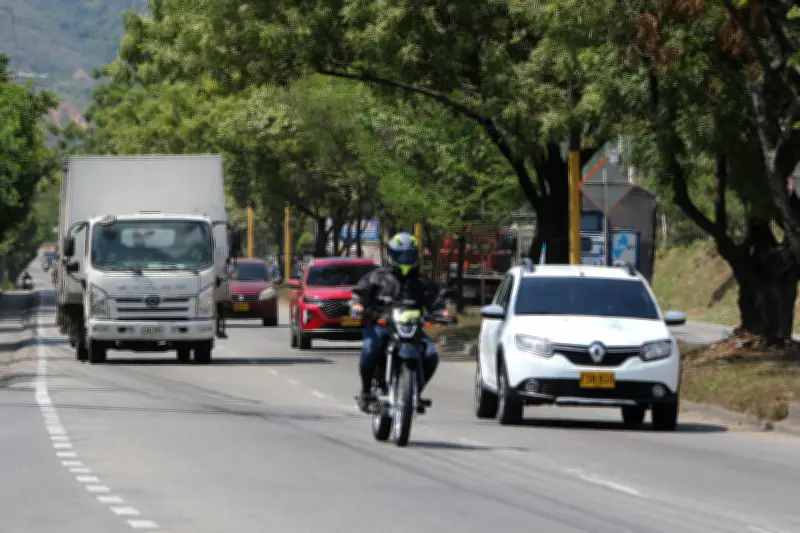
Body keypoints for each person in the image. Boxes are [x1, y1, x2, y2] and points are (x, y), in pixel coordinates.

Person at [350, 232, 451, 412]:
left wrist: (442, 312)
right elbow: (359, 293)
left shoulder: (423, 283)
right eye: (401, 255)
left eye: (409, 255)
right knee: (369, 350)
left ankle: (414, 391)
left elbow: (436, 304)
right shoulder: (377, 277)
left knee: (430, 355)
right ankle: (366, 392)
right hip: (382, 325)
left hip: (412, 329)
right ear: (392, 255)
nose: (405, 259)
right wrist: (358, 304)